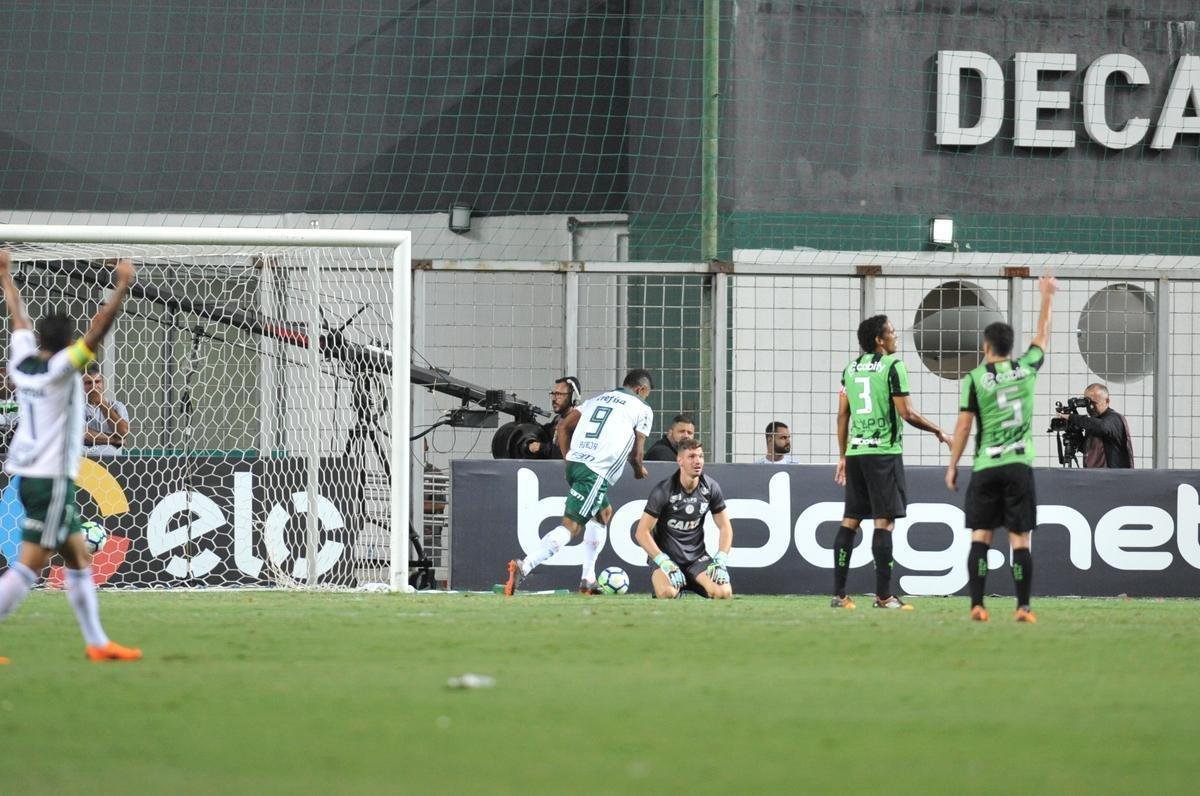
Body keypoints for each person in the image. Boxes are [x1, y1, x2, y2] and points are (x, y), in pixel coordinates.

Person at [0, 250, 142, 663]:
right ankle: (96, 642)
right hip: (50, 480)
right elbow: (98, 330)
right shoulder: (65, 367)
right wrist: (121, 288)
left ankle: (97, 642)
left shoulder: (23, 362)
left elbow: (18, 320)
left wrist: (6, 278)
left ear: (40, 340)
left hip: (33, 476)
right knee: (29, 567)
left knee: (79, 557)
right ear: (68, 344)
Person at [945, 274, 1058, 624]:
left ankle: (978, 606)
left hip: (986, 465)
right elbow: (1042, 336)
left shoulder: (975, 379)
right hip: (1018, 464)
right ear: (1011, 347)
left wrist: (952, 465)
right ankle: (1023, 608)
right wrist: (1046, 297)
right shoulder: (1026, 369)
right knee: (1019, 539)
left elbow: (964, 426)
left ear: (986, 346)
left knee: (981, 535)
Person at [832, 315, 952, 610]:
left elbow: (843, 415)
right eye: (892, 332)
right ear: (879, 339)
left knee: (851, 521)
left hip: (857, 453)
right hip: (883, 453)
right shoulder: (892, 366)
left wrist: (843, 455)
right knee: (884, 522)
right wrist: (938, 430)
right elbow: (907, 413)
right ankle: (884, 597)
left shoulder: (851, 369)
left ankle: (840, 594)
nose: (896, 337)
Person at [504, 368, 655, 595]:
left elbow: (563, 427)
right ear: (641, 389)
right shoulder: (642, 408)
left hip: (576, 465)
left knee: (603, 514)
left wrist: (569, 460)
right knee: (571, 527)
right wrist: (638, 469)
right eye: (646, 394)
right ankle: (526, 565)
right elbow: (637, 453)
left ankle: (587, 579)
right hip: (595, 472)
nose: (645, 398)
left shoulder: (598, 399)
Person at [634, 437, 734, 599]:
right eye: (692, 457)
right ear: (680, 460)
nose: (698, 461)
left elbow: (725, 527)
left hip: (697, 559)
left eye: (700, 456)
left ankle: (695, 585)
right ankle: (673, 587)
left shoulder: (710, 488)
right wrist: (662, 560)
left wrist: (721, 558)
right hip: (667, 560)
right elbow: (642, 532)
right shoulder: (663, 491)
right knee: (668, 593)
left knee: (724, 593)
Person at [1058, 383, 1134, 469]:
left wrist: (1071, 417)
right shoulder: (1094, 421)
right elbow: (1090, 451)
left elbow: (1102, 427)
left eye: (1095, 403)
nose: (1091, 407)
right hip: (1093, 477)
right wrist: (1076, 435)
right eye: (1088, 403)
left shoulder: (1115, 418)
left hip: (1113, 478)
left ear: (1107, 401)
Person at [524, 376, 580, 459]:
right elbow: (545, 432)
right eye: (553, 394)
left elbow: (566, 452)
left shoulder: (578, 422)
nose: (554, 399)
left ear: (573, 397)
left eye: (559, 394)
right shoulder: (558, 419)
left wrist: (540, 447)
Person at [83, 362, 131, 457]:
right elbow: (84, 435)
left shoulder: (117, 406)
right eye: (88, 383)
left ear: (103, 383)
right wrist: (115, 440)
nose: (93, 386)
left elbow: (124, 432)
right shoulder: (76, 407)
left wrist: (102, 404)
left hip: (111, 461)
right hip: (84, 460)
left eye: (97, 382)